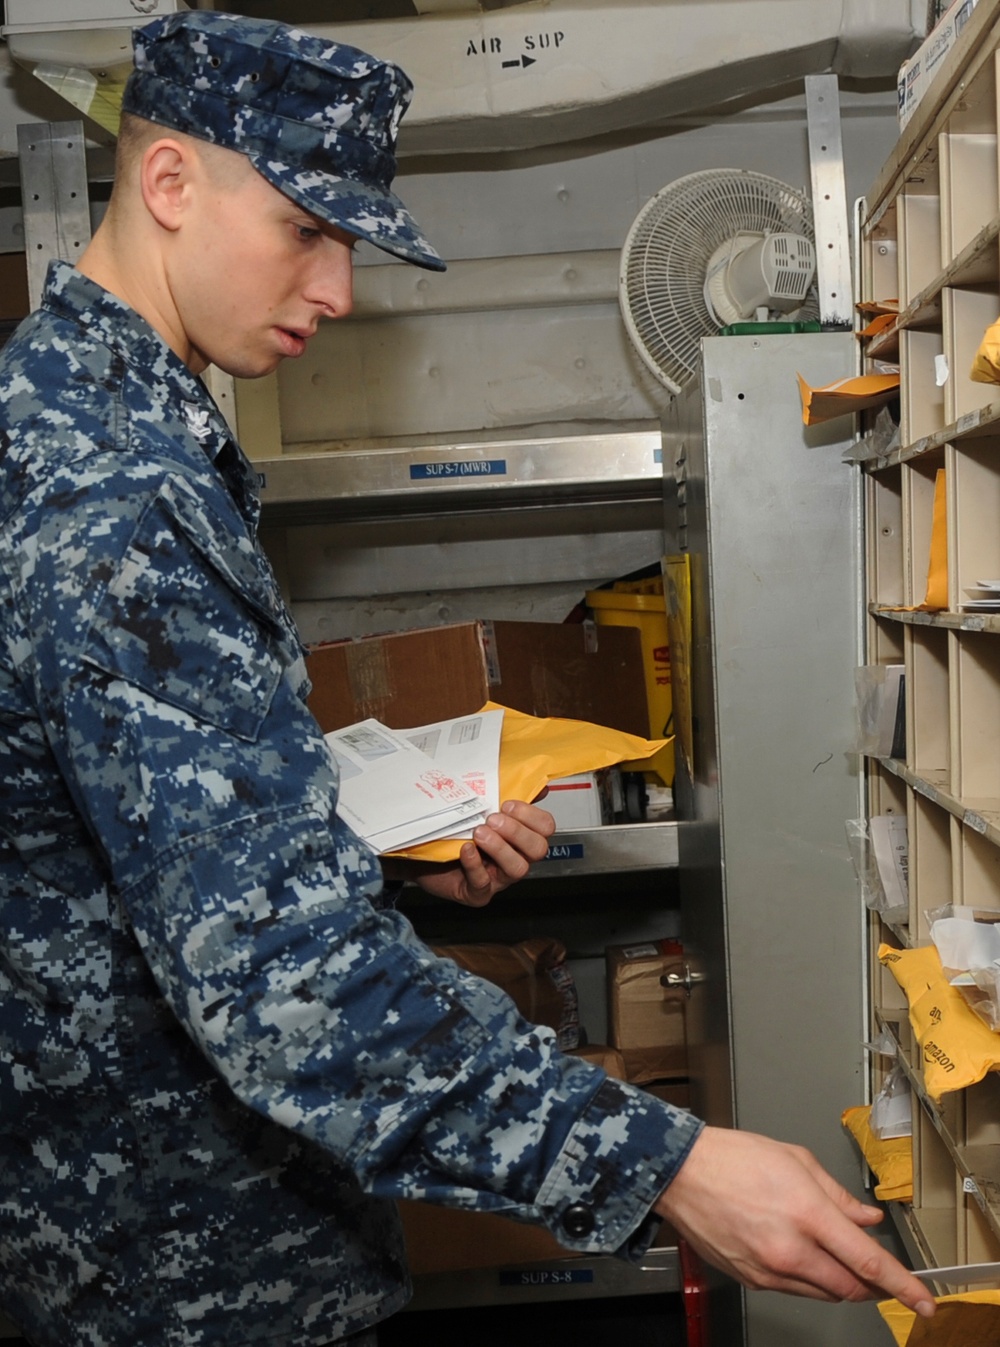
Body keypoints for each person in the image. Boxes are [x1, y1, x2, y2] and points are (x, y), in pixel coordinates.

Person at [0, 11, 934, 1347]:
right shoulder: (117, 495)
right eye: (306, 232)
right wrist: (665, 1162)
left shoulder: (62, 421)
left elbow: (113, 857)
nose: (335, 290)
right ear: (167, 187)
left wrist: (373, 859)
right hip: (178, 1277)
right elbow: (279, 985)